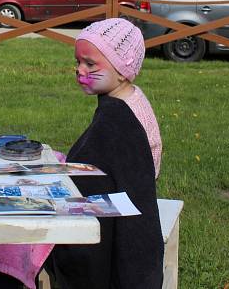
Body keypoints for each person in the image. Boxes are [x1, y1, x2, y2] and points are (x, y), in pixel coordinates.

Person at [49, 17, 163, 289]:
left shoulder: (116, 118)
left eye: (90, 64)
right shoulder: (130, 97)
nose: (80, 70)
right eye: (78, 62)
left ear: (122, 70)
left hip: (116, 230)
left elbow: (89, 178)